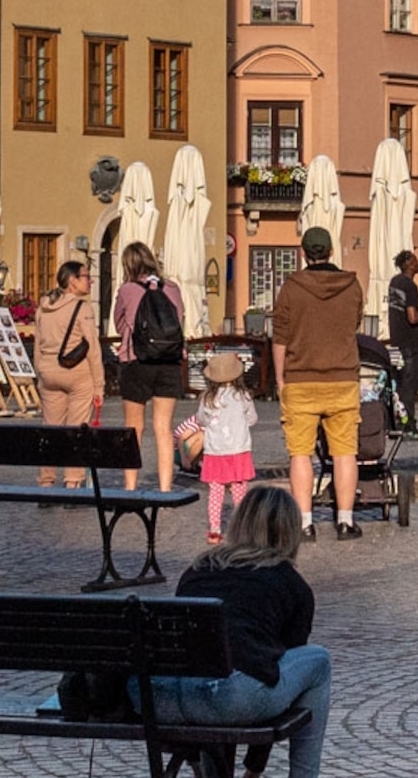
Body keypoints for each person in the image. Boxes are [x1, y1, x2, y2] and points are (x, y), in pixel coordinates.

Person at [145, 485, 334, 778]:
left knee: (209, 671)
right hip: (227, 696)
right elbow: (275, 681)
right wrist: (253, 774)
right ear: (289, 531)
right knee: (317, 663)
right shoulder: (292, 586)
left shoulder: (198, 570)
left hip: (163, 697)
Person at [269, 226, 368, 539]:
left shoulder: (291, 288)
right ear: (331, 251)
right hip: (343, 379)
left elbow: (280, 336)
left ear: (303, 253)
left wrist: (280, 378)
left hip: (300, 380)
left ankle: (304, 523)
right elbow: (354, 324)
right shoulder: (352, 286)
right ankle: (345, 521)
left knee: (300, 454)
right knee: (344, 453)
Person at [110, 243, 191, 496]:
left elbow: (119, 322)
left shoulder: (127, 290)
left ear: (128, 265)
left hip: (137, 361)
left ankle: (131, 486)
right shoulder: (173, 289)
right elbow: (180, 319)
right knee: (163, 428)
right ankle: (166, 487)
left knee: (134, 427)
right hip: (169, 362)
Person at [30, 259, 104, 482]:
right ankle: (72, 481)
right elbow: (93, 348)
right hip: (77, 374)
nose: (89, 280)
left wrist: (39, 375)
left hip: (48, 372)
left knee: (51, 429)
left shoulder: (43, 307)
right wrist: (99, 385)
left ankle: (46, 482)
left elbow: (37, 345)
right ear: (72, 281)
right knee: (76, 428)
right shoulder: (83, 309)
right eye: (85, 276)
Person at [183, 350, 260, 543]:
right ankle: (242, 529)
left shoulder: (208, 398)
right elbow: (252, 419)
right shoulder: (243, 396)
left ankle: (215, 530)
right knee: (239, 491)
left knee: (215, 492)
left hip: (215, 452)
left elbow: (201, 420)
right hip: (239, 450)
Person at [385, 252, 418, 435]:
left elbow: (416, 301)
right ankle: (408, 425)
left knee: (401, 381)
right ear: (408, 264)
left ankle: (398, 421)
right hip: (411, 342)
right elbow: (413, 318)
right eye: (414, 260)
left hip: (397, 340)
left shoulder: (395, 282)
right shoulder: (409, 285)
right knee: (410, 384)